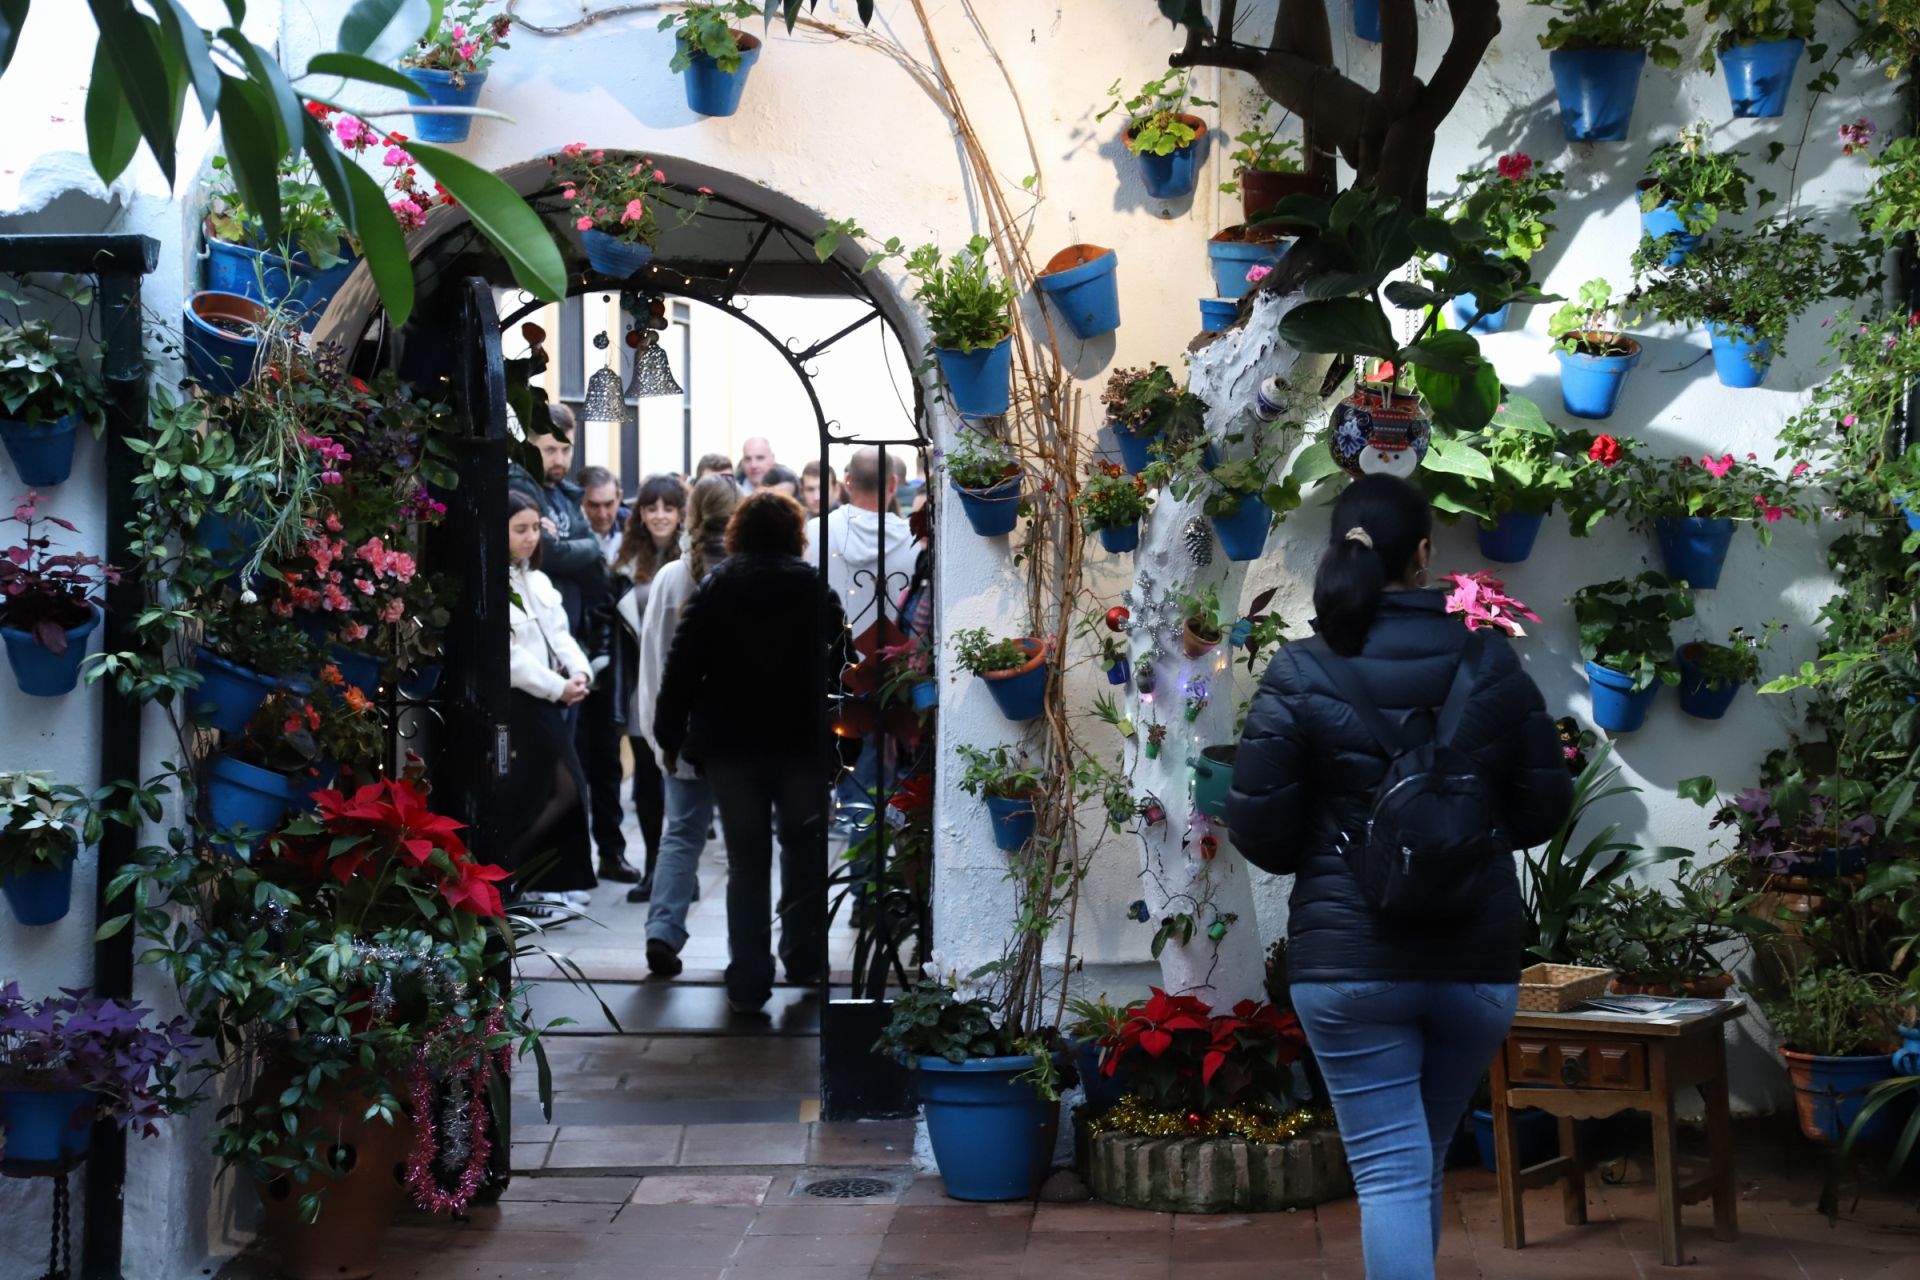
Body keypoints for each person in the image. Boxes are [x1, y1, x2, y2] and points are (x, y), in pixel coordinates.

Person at [1226, 474, 1573, 1280]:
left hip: (1350, 967)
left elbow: (1261, 831)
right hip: (1473, 966)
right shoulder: (1490, 662)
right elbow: (1540, 809)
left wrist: (1346, 848)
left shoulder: (1302, 672)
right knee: (1413, 1162)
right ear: (1424, 555)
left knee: (1390, 1169)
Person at [653, 491, 848, 1013]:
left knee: (747, 862)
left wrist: (669, 736)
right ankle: (804, 958)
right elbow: (843, 664)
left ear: (738, 533)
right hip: (800, 744)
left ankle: (748, 979)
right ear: (795, 534)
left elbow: (681, 667)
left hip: (732, 747)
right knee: (804, 854)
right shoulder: (813, 586)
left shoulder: (717, 587)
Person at [632, 476, 738, 969]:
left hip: (684, 732)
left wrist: (659, 739)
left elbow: (653, 662)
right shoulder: (742, 572)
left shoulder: (674, 576)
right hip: (738, 736)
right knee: (745, 843)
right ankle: (746, 951)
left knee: (681, 833)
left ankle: (663, 929)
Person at [504, 489, 598, 919]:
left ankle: (529, 880)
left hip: (548, 702)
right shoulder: (498, 586)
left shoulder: (537, 580)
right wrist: (556, 688)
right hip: (522, 704)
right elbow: (511, 658)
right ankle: (510, 876)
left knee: (562, 789)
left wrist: (580, 673)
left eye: (534, 529)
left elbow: (560, 635)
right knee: (551, 790)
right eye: (519, 529)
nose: (529, 538)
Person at [822, 446, 914, 832]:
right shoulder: (914, 539)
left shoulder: (818, 531)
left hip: (834, 671)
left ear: (846, 482)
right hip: (893, 673)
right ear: (894, 484)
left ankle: (848, 828)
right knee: (887, 768)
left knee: (847, 765)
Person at [613, 473, 688, 903]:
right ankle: (654, 868)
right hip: (641, 685)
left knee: (680, 778)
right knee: (644, 781)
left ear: (681, 514)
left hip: (682, 680)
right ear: (640, 513)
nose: (660, 515)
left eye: (668, 507)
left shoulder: (693, 559)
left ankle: (681, 872)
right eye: (651, 507)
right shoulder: (625, 563)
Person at [568, 463, 640, 884]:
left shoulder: (630, 536)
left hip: (615, 666)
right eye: (593, 505)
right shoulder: (572, 539)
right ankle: (577, 859)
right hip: (575, 660)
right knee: (576, 764)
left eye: (610, 503)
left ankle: (612, 853)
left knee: (609, 766)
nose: (603, 513)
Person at [506, 404, 605, 638]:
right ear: (530, 446)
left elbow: (594, 556)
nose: (560, 459)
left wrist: (583, 548)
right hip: (539, 626)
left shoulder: (568, 493)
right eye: (550, 450)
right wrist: (589, 546)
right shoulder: (520, 487)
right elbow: (549, 554)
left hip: (576, 623)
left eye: (566, 450)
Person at [578, 464, 626, 567]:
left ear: (619, 497)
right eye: (593, 505)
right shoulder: (568, 531)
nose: (602, 515)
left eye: (609, 504)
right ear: (579, 501)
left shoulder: (635, 527)